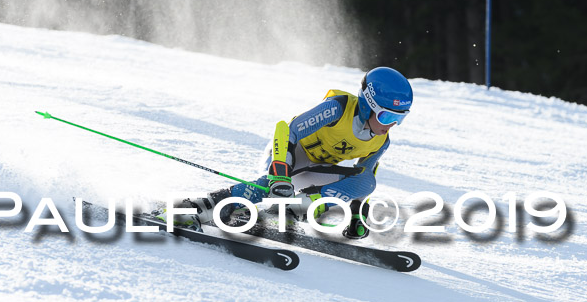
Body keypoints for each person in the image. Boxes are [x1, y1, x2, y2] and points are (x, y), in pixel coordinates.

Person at [164, 66, 413, 240]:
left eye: (399, 119)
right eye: (387, 115)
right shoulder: (338, 108)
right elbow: (288, 130)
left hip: (317, 171)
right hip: (288, 155)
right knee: (265, 186)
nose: (391, 124)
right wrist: (280, 174)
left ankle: (287, 211)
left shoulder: (381, 141)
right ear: (368, 104)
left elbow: (363, 178)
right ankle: (194, 208)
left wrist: (358, 213)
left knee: (367, 180)